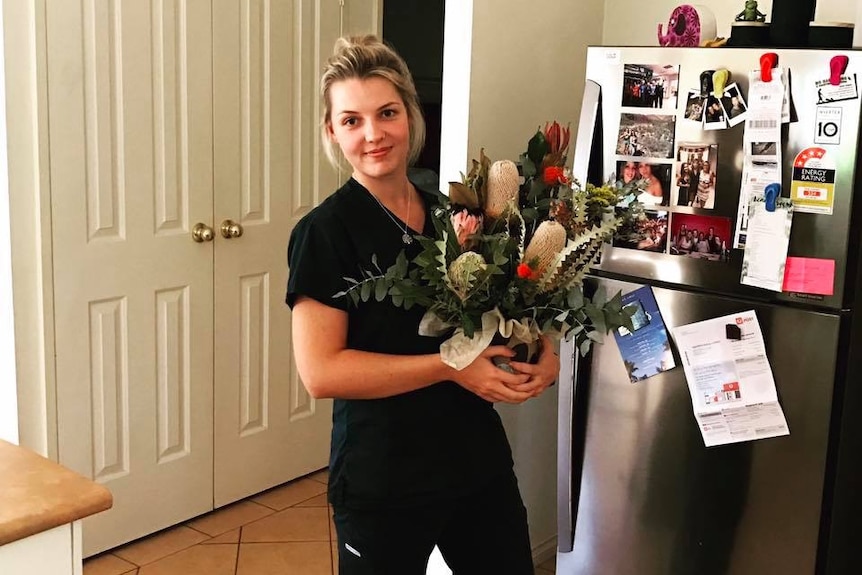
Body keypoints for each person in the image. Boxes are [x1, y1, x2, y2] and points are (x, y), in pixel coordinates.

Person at [286, 35, 558, 575]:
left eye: (387, 113)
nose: (373, 135)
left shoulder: (452, 215)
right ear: (332, 132)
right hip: (384, 480)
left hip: (475, 464)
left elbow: (500, 311)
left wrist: (543, 353)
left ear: (410, 114)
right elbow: (321, 371)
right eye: (351, 120)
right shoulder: (325, 233)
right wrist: (452, 369)